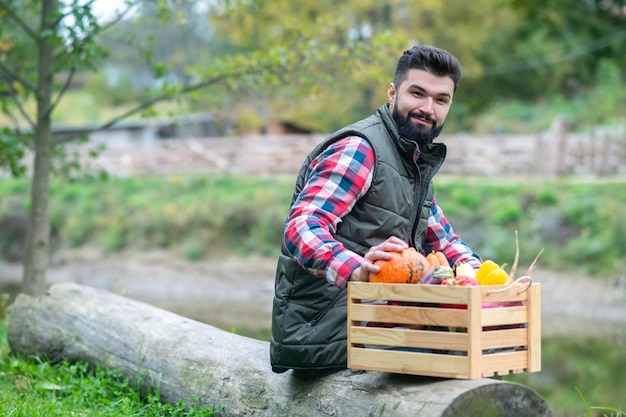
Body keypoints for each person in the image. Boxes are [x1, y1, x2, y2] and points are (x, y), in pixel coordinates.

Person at [270, 45, 482, 373]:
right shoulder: (361, 149)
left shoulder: (413, 164)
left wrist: (479, 276)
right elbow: (301, 227)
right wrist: (356, 270)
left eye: (441, 100)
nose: (428, 108)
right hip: (323, 332)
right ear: (392, 92)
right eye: (417, 93)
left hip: (375, 323)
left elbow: (446, 242)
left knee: (467, 350)